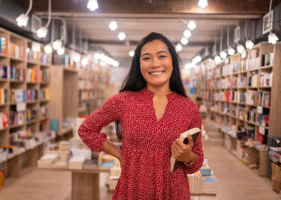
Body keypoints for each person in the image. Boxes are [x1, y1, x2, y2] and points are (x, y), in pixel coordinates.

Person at [78, 32, 204, 200]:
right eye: (146, 58)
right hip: (132, 190)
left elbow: (196, 161)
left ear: (172, 62)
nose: (155, 64)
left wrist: (187, 157)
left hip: (174, 192)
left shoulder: (189, 108)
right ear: (138, 65)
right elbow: (86, 130)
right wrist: (119, 153)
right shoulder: (123, 101)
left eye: (161, 56)